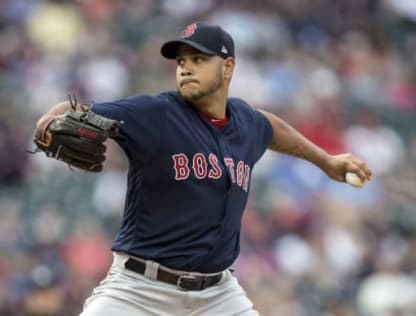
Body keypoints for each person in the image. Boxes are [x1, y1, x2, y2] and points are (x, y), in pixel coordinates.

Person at [35, 22, 372, 316]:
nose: (186, 68)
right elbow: (78, 110)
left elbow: (273, 129)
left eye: (198, 59)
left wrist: (326, 161)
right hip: (140, 290)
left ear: (228, 67)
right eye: (181, 61)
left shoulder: (246, 122)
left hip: (218, 295)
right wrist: (47, 121)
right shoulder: (155, 113)